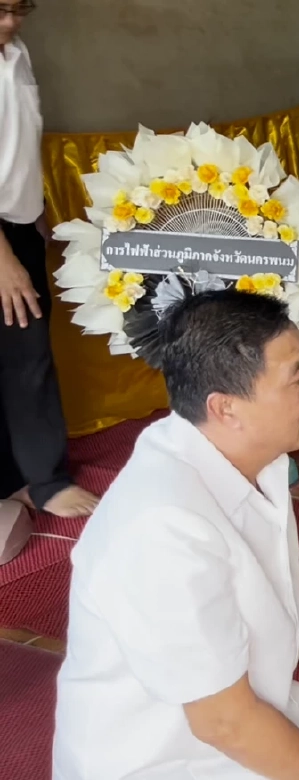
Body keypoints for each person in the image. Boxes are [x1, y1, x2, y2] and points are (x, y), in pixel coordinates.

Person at [53, 290, 299, 780]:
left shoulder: (251, 454)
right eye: (297, 377)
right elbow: (224, 723)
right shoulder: (161, 526)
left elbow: (288, 582)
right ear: (225, 409)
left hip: (248, 708)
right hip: (170, 758)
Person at [0, 0, 99, 519]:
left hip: (18, 226)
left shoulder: (17, 54)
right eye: (0, 10)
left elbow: (18, 146)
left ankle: (15, 477)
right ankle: (46, 480)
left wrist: (35, 219)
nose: (11, 23)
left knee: (22, 354)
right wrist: (5, 260)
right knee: (27, 355)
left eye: (19, 10)